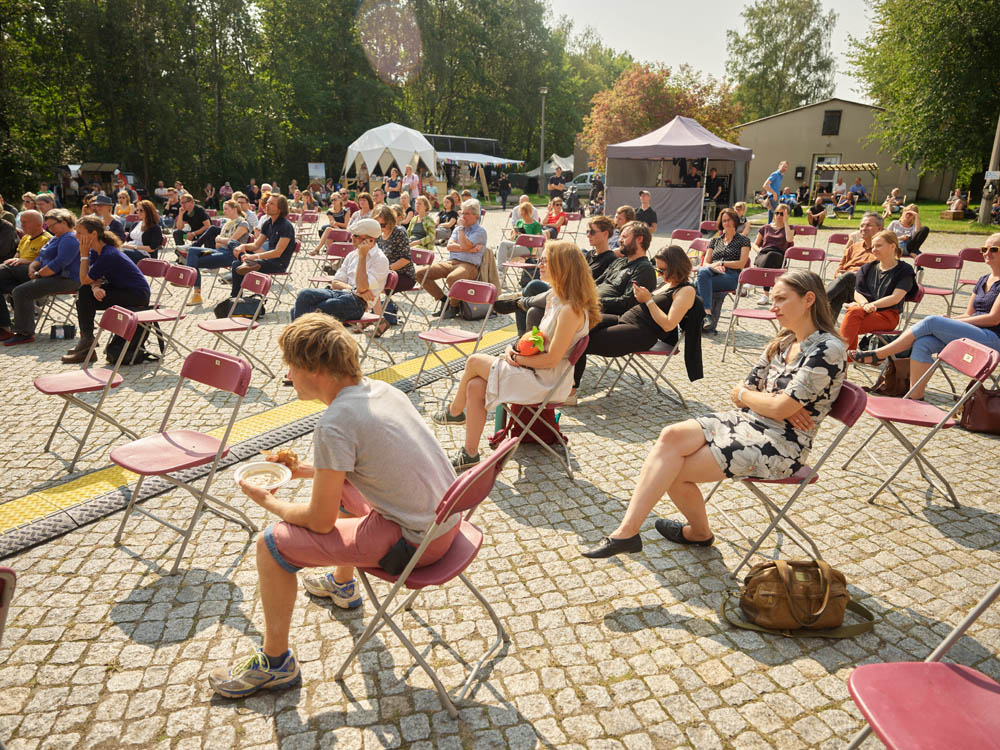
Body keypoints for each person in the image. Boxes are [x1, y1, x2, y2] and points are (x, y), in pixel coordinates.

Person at [208, 312, 460, 699]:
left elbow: (319, 521)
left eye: (291, 366)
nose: (288, 375)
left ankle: (275, 663)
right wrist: (304, 472)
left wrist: (269, 500)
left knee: (270, 545)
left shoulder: (334, 422)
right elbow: (361, 468)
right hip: (446, 522)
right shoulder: (382, 390)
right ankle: (343, 585)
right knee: (340, 487)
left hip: (414, 544)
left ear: (315, 369)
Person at [582, 269, 846, 557]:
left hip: (782, 445)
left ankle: (690, 533)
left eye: (781, 299)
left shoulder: (827, 348)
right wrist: (767, 401)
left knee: (672, 471)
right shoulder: (784, 340)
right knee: (670, 435)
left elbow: (773, 405)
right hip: (749, 421)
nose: (773, 306)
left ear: (809, 299)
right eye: (773, 299)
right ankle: (629, 533)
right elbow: (740, 391)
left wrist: (767, 402)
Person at [433, 240, 600, 470]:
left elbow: (552, 359)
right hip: (536, 372)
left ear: (563, 266)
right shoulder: (555, 297)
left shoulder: (570, 310)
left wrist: (517, 359)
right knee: (474, 386)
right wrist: (516, 350)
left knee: (474, 361)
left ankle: (454, 411)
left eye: (545, 261)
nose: (539, 264)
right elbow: (539, 341)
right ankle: (470, 453)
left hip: (547, 382)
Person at [850, 233, 1000, 399]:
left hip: (993, 338)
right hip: (974, 333)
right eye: (984, 249)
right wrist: (951, 321)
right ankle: (915, 397)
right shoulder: (983, 279)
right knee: (923, 343)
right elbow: (968, 314)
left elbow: (994, 319)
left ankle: (879, 354)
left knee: (932, 321)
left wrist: (947, 322)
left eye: (993, 249)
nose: (987, 253)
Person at [570, 245, 702, 403]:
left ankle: (570, 392)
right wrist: (642, 299)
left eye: (662, 270)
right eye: (658, 270)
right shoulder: (667, 283)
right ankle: (557, 380)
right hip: (624, 320)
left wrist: (648, 300)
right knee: (577, 327)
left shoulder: (686, 291)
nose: (659, 274)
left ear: (676, 267)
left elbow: (669, 324)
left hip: (640, 332)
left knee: (581, 342)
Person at [500, 221, 656, 336]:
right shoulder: (620, 262)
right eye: (620, 236)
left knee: (541, 290)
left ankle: (520, 302)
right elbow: (595, 282)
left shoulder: (644, 269)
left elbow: (626, 303)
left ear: (639, 239)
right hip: (586, 301)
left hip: (599, 310)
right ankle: (525, 345)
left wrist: (592, 300)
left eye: (624, 237)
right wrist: (582, 292)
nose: (619, 240)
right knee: (535, 310)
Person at [61, 215, 151, 364]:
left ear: (93, 234)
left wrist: (83, 255)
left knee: (84, 295)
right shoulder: (97, 251)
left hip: (136, 295)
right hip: (120, 289)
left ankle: (87, 343)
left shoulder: (108, 254)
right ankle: (87, 343)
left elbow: (84, 279)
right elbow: (91, 278)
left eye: (80, 232)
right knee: (85, 294)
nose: (76, 236)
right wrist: (95, 287)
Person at [0, 209, 81, 346]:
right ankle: (5, 325)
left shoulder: (70, 238)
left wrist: (39, 274)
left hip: (66, 279)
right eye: (48, 226)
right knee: (10, 281)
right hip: (47, 274)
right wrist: (33, 267)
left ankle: (24, 333)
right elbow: (40, 257)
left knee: (21, 291)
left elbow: (59, 263)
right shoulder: (56, 237)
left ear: (63, 222)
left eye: (52, 225)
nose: (49, 229)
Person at [291, 218, 389, 325]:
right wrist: (353, 289)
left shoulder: (380, 260)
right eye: (352, 234)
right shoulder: (352, 255)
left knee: (298, 311)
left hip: (358, 304)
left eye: (356, 236)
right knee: (304, 294)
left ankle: (299, 333)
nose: (352, 237)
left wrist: (362, 256)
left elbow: (362, 287)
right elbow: (335, 283)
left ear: (370, 240)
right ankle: (304, 334)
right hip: (341, 293)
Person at [837, 229, 915, 351]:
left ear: (893, 246)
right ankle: (843, 356)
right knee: (853, 316)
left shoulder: (905, 270)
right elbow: (857, 292)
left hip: (888, 316)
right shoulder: (867, 268)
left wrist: (871, 305)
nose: (874, 250)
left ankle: (840, 353)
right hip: (864, 310)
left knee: (851, 322)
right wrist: (864, 304)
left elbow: (895, 298)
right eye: (873, 246)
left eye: (878, 246)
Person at [417, 199, 486, 318]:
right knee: (420, 273)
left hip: (469, 265)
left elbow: (463, 245)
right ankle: (444, 300)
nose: (463, 216)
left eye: (467, 214)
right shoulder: (457, 229)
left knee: (453, 278)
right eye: (462, 213)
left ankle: (454, 306)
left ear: (476, 216)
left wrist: (461, 232)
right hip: (451, 262)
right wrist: (469, 249)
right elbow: (449, 246)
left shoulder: (480, 231)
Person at [184, 199, 251, 305]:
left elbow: (231, 242)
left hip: (231, 255)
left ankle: (194, 290)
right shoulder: (227, 224)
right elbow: (217, 245)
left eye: (226, 209)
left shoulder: (243, 224)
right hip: (219, 251)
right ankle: (193, 287)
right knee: (192, 251)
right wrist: (222, 240)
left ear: (234, 209)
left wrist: (220, 239)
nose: (224, 211)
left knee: (193, 261)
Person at [229, 193, 296, 298]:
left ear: (280, 208)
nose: (267, 205)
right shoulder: (268, 223)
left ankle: (235, 297)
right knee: (233, 245)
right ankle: (245, 266)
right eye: (267, 202)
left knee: (236, 265)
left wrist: (254, 256)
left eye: (271, 204)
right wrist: (243, 247)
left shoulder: (286, 226)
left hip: (278, 264)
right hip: (266, 259)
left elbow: (278, 253)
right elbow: (256, 245)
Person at [696, 208, 752, 333]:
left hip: (731, 276)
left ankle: (698, 320)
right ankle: (707, 315)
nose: (726, 223)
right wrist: (715, 266)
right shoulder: (715, 241)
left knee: (695, 284)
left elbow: (741, 264)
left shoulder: (744, 240)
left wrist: (722, 263)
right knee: (702, 274)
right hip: (712, 273)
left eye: (729, 220)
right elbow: (705, 263)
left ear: (735, 221)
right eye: (724, 221)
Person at [0, 210, 51, 338]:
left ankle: (6, 327)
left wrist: (26, 261)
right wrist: (14, 260)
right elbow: (16, 256)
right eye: (21, 222)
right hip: (16, 273)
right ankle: (3, 327)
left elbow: (46, 262)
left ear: (38, 224)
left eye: (25, 222)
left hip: (33, 273)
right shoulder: (25, 238)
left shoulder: (47, 239)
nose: (21, 225)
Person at [825, 212, 882, 318]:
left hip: (867, 291)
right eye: (861, 226)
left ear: (879, 229)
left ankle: (816, 302)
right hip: (848, 287)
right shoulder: (854, 247)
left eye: (868, 225)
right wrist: (839, 274)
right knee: (841, 287)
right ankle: (826, 326)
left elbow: (884, 275)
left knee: (849, 276)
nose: (863, 228)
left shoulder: (883, 250)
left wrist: (858, 274)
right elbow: (839, 270)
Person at [752, 204, 795, 307]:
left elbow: (789, 239)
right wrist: (759, 251)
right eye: (777, 213)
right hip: (763, 254)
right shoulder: (766, 227)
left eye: (782, 214)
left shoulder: (790, 228)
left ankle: (755, 280)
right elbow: (755, 244)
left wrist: (785, 222)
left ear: (787, 215)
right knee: (768, 257)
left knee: (771, 255)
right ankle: (765, 294)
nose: (779, 216)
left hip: (779, 255)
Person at [373, 204, 415, 293]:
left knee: (372, 288)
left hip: (403, 275)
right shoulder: (378, 234)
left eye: (383, 225)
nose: (380, 227)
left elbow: (405, 259)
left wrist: (385, 269)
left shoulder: (399, 232)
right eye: (377, 224)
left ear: (390, 221)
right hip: (385, 273)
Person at [496, 201, 544, 270]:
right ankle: (501, 270)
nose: (523, 216)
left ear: (529, 213)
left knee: (500, 250)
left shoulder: (536, 225)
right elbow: (512, 239)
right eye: (521, 214)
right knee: (502, 245)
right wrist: (515, 233)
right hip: (516, 244)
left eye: (524, 214)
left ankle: (500, 270)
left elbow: (537, 241)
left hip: (527, 247)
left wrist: (524, 237)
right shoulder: (519, 222)